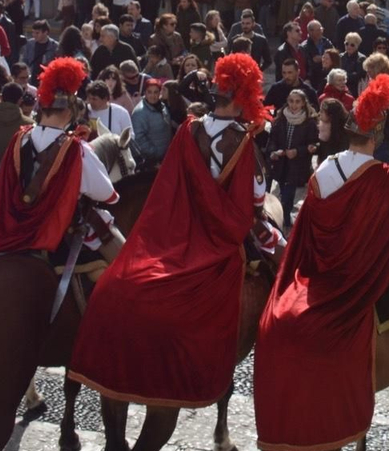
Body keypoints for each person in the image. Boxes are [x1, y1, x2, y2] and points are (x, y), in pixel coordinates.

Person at [253, 73, 389, 451]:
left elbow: (305, 228)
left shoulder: (323, 171)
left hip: (316, 276)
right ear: (377, 134)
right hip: (359, 281)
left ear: (349, 131)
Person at [69, 53, 280, 410]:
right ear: (244, 97)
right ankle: (273, 344)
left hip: (179, 226)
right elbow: (256, 200)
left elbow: (171, 180)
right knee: (282, 267)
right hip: (221, 233)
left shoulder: (188, 129)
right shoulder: (243, 141)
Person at [0, 58, 122, 258]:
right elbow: (107, 194)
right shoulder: (76, 149)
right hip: (58, 233)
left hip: (12, 228)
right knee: (123, 259)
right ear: (70, 111)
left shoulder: (19, 139)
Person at [265, 88, 315, 228]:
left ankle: (285, 221)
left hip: (297, 166)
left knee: (287, 197)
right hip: (281, 164)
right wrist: (274, 151)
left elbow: (312, 144)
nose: (294, 105)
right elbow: (273, 139)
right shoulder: (281, 119)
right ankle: (283, 219)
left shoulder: (309, 122)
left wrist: (297, 151)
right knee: (282, 191)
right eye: (291, 101)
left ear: (303, 103)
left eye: (297, 102)